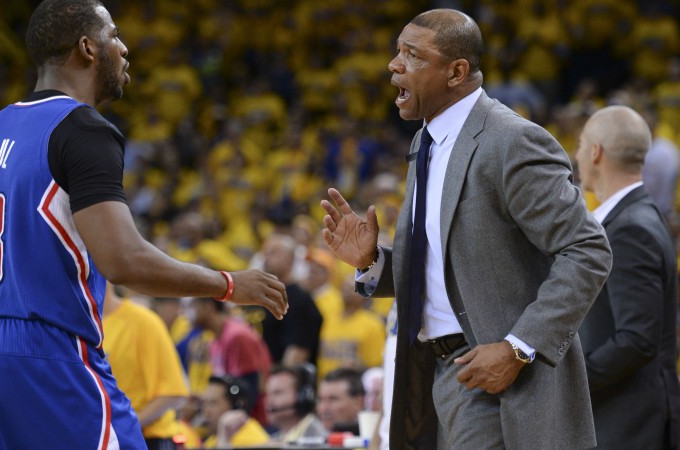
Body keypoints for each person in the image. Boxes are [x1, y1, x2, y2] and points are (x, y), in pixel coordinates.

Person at [0, 1, 287, 448]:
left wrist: (4, 308)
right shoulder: (82, 128)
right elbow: (124, 261)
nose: (125, 48)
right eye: (115, 36)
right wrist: (228, 283)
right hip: (44, 351)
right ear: (88, 48)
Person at [320, 8, 612, 449]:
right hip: (439, 374)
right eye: (397, 51)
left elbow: (588, 250)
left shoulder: (511, 141)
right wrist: (373, 262)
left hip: (506, 380)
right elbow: (449, 271)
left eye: (412, 55)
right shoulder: (426, 142)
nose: (393, 64)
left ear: (456, 71)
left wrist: (518, 347)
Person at [575, 105, 680, 450]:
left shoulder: (629, 228)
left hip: (629, 425)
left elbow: (637, 339)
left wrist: (569, 382)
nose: (576, 155)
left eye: (580, 145)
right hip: (627, 418)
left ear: (596, 152)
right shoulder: (637, 216)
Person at [101, 283, 190, 450]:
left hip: (148, 438)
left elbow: (172, 393)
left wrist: (127, 426)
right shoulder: (80, 326)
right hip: (106, 439)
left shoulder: (143, 322)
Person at [191, 297, 273, 416]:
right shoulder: (214, 341)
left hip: (253, 420)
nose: (186, 313)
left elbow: (249, 391)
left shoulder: (237, 336)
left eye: (192, 306)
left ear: (208, 307)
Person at [260, 233, 323, 366]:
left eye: (273, 253)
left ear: (290, 259)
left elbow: (297, 352)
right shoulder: (260, 295)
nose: (266, 257)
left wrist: (275, 383)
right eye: (265, 252)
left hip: (281, 379)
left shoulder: (300, 299)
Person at [200, 375, 270, 448]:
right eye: (203, 403)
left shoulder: (250, 439)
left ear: (236, 407)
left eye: (213, 403)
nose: (206, 411)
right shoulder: (213, 439)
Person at [264, 364, 327, 444]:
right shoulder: (274, 439)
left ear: (302, 397)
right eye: (267, 394)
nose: (268, 400)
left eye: (277, 393)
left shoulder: (319, 439)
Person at [315, 367, 364, 435]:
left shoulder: (375, 438)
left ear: (358, 403)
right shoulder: (308, 437)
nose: (324, 408)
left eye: (333, 399)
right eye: (320, 399)